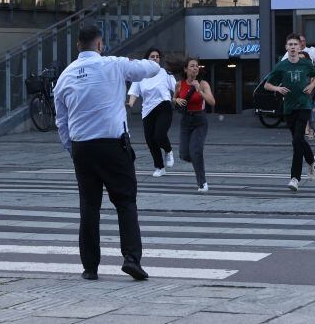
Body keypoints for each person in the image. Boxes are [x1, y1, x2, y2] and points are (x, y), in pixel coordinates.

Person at [53, 25, 158, 281]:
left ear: (79, 46)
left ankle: (90, 267)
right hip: (113, 146)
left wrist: (72, 148)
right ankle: (131, 258)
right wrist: (143, 62)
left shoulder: (64, 76)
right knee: (125, 202)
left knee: (89, 207)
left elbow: (61, 121)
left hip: (82, 148)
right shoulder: (114, 64)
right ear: (100, 45)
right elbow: (150, 69)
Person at [264, 33, 315, 192]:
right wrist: (277, 88)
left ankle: (295, 178)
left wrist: (311, 86)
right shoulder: (281, 66)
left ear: (299, 47)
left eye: (296, 44)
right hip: (288, 108)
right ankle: (311, 160)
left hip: (304, 105)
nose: (293, 47)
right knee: (298, 140)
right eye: (291, 44)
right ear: (286, 47)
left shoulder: (305, 64)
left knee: (297, 140)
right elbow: (267, 84)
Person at [127, 48, 176, 177]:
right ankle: (159, 167)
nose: (155, 58)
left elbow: (176, 88)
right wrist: (130, 103)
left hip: (164, 106)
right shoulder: (140, 75)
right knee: (150, 140)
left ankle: (168, 151)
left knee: (159, 135)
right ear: (147, 59)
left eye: (157, 56)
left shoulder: (164, 72)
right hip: (148, 111)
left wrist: (178, 98)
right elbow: (134, 92)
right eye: (152, 56)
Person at [175, 57, 216, 192]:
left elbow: (212, 102)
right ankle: (197, 161)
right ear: (186, 69)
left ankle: (202, 183)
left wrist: (200, 91)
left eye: (197, 66)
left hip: (199, 120)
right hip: (185, 121)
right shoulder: (179, 84)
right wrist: (177, 100)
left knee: (196, 151)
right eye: (192, 66)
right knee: (184, 155)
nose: (195, 68)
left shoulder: (203, 84)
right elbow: (173, 98)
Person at [282, 34, 315, 140]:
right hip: (296, 91)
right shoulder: (290, 55)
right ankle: (307, 131)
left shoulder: (311, 52)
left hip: (309, 88)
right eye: (298, 41)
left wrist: (312, 85)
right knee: (302, 113)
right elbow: (282, 68)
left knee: (310, 112)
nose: (301, 43)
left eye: (302, 41)